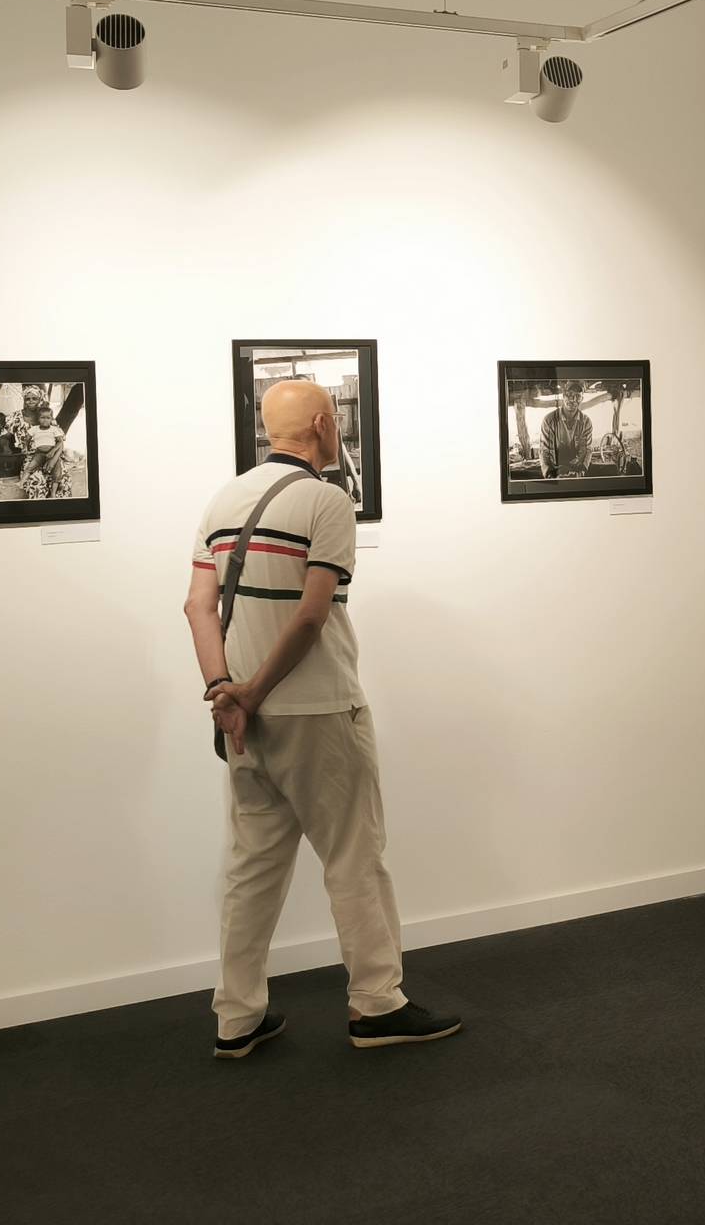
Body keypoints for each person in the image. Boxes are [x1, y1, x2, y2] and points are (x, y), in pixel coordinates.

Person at [185, 379, 461, 1058]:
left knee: (252, 868)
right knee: (353, 859)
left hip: (246, 727)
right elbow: (312, 614)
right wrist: (250, 691)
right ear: (321, 423)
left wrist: (226, 691)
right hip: (320, 711)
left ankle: (236, 1017)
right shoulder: (328, 500)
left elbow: (197, 606)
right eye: (334, 418)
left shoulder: (224, 500)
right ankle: (376, 1005)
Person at [8, 386, 75, 500]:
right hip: (32, 457)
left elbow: (60, 442)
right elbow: (5, 436)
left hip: (53, 456)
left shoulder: (47, 416)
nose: (31, 401)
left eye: (34, 398)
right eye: (28, 398)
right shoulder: (15, 417)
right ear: (24, 399)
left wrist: (53, 460)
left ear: (40, 400)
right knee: (37, 481)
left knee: (62, 479)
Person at [536, 381, 593, 477]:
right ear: (563, 396)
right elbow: (545, 451)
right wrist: (550, 474)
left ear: (582, 399)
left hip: (576, 470)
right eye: (569, 395)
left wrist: (580, 472)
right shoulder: (549, 420)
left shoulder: (586, 422)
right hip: (555, 470)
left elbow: (586, 449)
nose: (573, 399)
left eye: (578, 396)